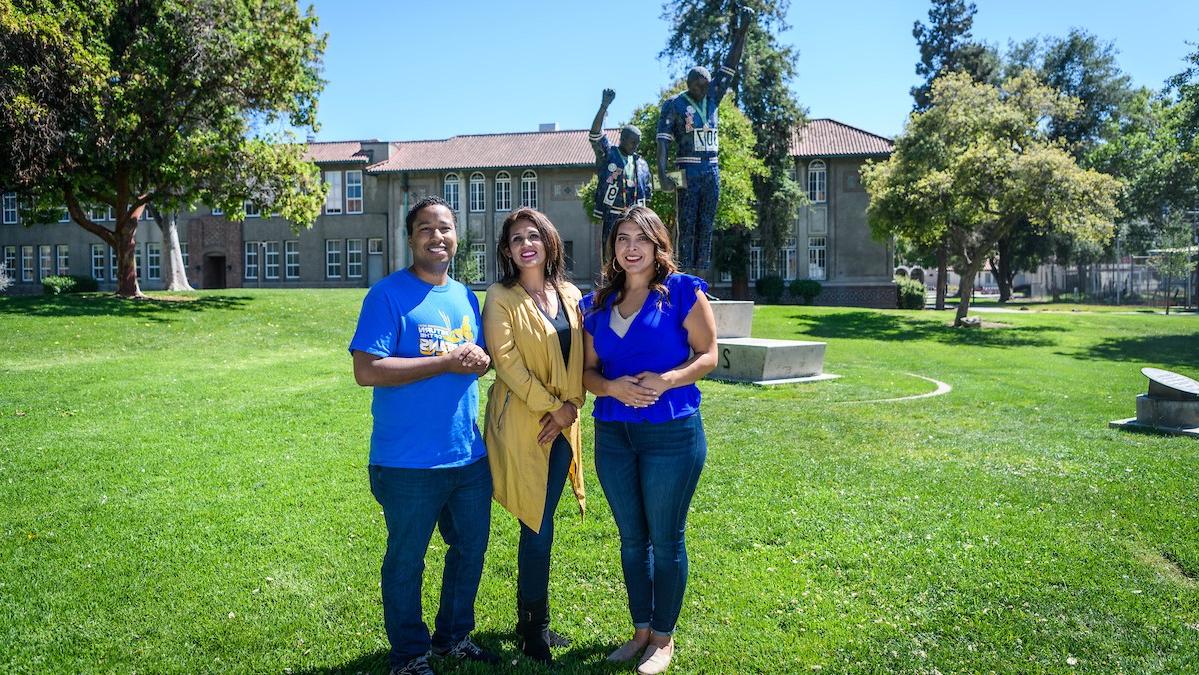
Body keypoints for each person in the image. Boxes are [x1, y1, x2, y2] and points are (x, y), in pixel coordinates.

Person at [349, 195, 501, 675]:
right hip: (408, 462)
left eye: (446, 228)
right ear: (410, 238)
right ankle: (409, 655)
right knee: (406, 561)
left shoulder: (464, 296)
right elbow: (367, 369)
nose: (438, 237)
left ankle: (453, 637)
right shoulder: (387, 295)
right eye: (427, 229)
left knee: (470, 548)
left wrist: (481, 361)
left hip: (467, 455)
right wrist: (447, 362)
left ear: (457, 237)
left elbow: (473, 360)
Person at [579, 206, 719, 675]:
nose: (631, 247)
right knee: (632, 539)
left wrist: (667, 380)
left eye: (641, 238)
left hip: (671, 434)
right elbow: (587, 373)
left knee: (665, 537)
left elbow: (709, 355)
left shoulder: (681, 292)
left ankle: (663, 638)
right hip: (614, 435)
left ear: (659, 245)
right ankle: (640, 630)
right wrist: (614, 388)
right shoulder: (597, 304)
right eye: (622, 239)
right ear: (613, 248)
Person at [482, 207, 587, 663]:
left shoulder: (569, 293)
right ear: (507, 251)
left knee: (543, 522)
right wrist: (556, 408)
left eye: (534, 236)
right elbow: (507, 364)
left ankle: (532, 621)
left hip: (564, 426)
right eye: (516, 239)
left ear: (549, 243)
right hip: (525, 423)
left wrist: (572, 407)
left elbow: (583, 358)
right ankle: (533, 628)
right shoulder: (500, 297)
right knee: (536, 523)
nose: (526, 244)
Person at [655, 7, 753, 274]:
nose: (706, 89)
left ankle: (700, 277)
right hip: (687, 168)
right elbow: (662, 141)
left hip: (712, 168)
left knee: (706, 224)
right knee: (687, 224)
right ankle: (683, 276)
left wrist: (741, 32)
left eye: (708, 85)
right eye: (701, 85)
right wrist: (662, 174)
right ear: (690, 84)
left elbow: (730, 66)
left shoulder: (713, 98)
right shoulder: (673, 105)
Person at [589, 88, 652, 263]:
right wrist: (604, 106)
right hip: (613, 215)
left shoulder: (642, 164)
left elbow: (647, 194)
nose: (635, 146)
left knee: (635, 255)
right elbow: (595, 134)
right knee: (611, 255)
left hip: (636, 218)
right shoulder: (610, 155)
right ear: (622, 138)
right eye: (632, 142)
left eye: (638, 143)